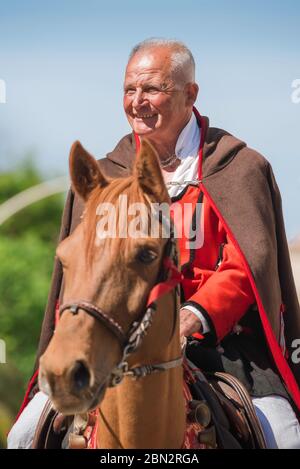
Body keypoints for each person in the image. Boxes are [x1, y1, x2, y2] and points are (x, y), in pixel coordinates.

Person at [8, 38, 300, 449]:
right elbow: (87, 268)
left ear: (190, 94)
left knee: (286, 439)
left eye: (152, 89)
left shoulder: (239, 167)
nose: (138, 101)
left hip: (223, 346)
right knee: (22, 436)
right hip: (116, 337)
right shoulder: (107, 175)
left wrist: (193, 315)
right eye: (130, 90)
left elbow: (249, 263)